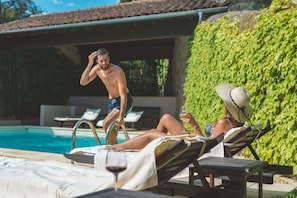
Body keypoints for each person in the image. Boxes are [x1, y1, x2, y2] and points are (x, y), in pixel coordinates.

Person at [110, 82, 253, 150]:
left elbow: (206, 147)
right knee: (166, 118)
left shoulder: (224, 123)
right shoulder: (237, 124)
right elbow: (209, 142)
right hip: (195, 142)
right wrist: (192, 126)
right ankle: (155, 150)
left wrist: (195, 125)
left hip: (192, 148)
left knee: (151, 134)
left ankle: (116, 148)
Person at [80, 48, 133, 144]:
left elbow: (123, 94)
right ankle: (115, 149)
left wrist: (121, 115)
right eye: (101, 61)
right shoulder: (97, 69)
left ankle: (114, 149)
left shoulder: (117, 71)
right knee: (112, 130)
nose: (104, 63)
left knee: (106, 123)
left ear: (109, 59)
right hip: (112, 101)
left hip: (124, 100)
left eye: (106, 60)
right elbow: (83, 82)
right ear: (97, 61)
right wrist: (89, 64)